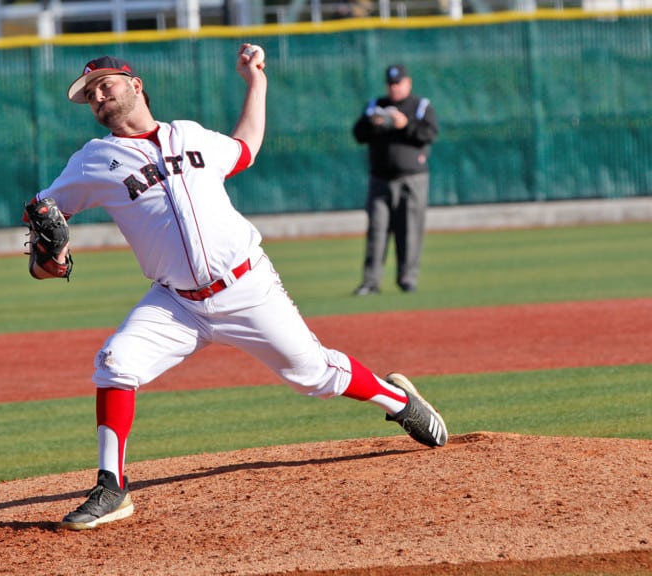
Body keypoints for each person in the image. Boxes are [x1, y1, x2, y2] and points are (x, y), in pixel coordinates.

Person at [24, 47, 448, 531]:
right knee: (115, 362)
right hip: (176, 302)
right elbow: (42, 217)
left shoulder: (189, 134)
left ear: (135, 85)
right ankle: (112, 487)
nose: (98, 96)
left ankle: (400, 403)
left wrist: (256, 83)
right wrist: (49, 260)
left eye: (105, 84)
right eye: (90, 94)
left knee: (313, 374)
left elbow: (245, 147)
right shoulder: (94, 160)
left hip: (246, 286)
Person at [351, 64, 438, 295]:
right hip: (380, 179)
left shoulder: (420, 106)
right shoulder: (375, 106)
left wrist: (404, 124)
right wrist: (373, 123)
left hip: (412, 179)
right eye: (391, 84)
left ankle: (407, 279)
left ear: (408, 83)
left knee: (409, 231)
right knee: (376, 230)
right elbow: (358, 134)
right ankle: (370, 282)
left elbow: (429, 134)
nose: (394, 88)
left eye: (398, 83)